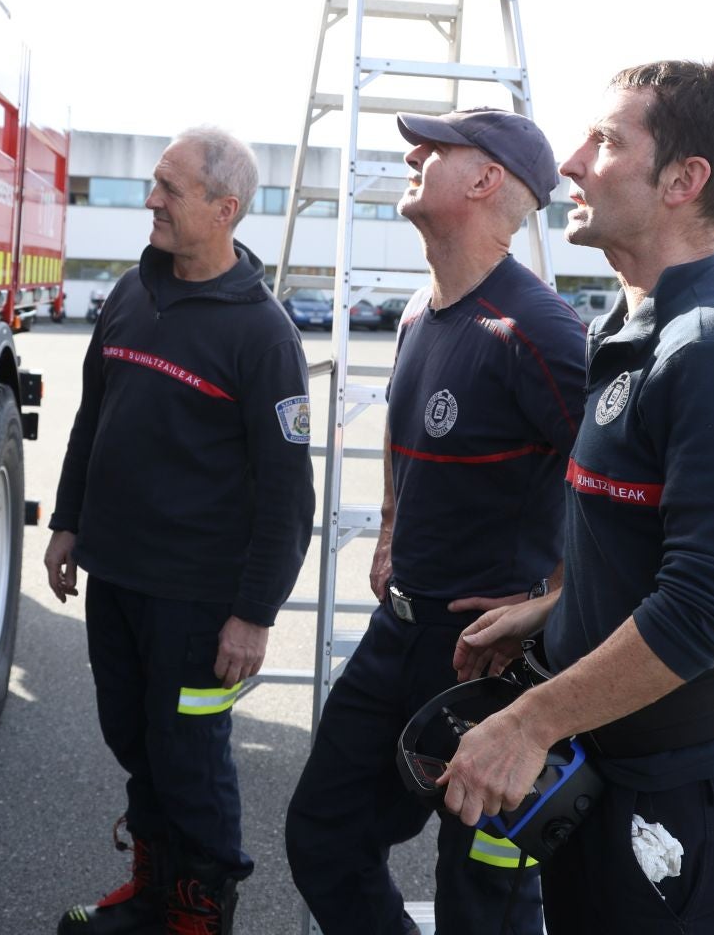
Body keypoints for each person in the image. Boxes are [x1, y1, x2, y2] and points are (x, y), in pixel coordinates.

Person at [442, 61, 714, 934]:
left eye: (607, 141)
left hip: (682, 792)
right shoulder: (629, 325)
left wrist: (528, 723)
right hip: (608, 765)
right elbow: (650, 540)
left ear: (685, 182)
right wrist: (553, 611)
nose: (571, 163)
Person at [285, 108, 587, 935]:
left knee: (482, 896)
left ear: (486, 180)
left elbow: (626, 487)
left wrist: (557, 599)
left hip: (489, 662)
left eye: (435, 149)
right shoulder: (424, 312)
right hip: (400, 634)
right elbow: (401, 423)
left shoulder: (540, 329)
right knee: (323, 834)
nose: (413, 155)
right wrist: (388, 525)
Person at [46, 126, 316, 935]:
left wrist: (255, 614)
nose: (151, 201)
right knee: (135, 740)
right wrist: (66, 523)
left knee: (191, 760)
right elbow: (94, 417)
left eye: (170, 189)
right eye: (153, 184)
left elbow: (287, 495)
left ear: (225, 209)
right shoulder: (134, 289)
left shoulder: (265, 336)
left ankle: (198, 916)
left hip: (199, 602)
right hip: (117, 577)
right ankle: (154, 893)